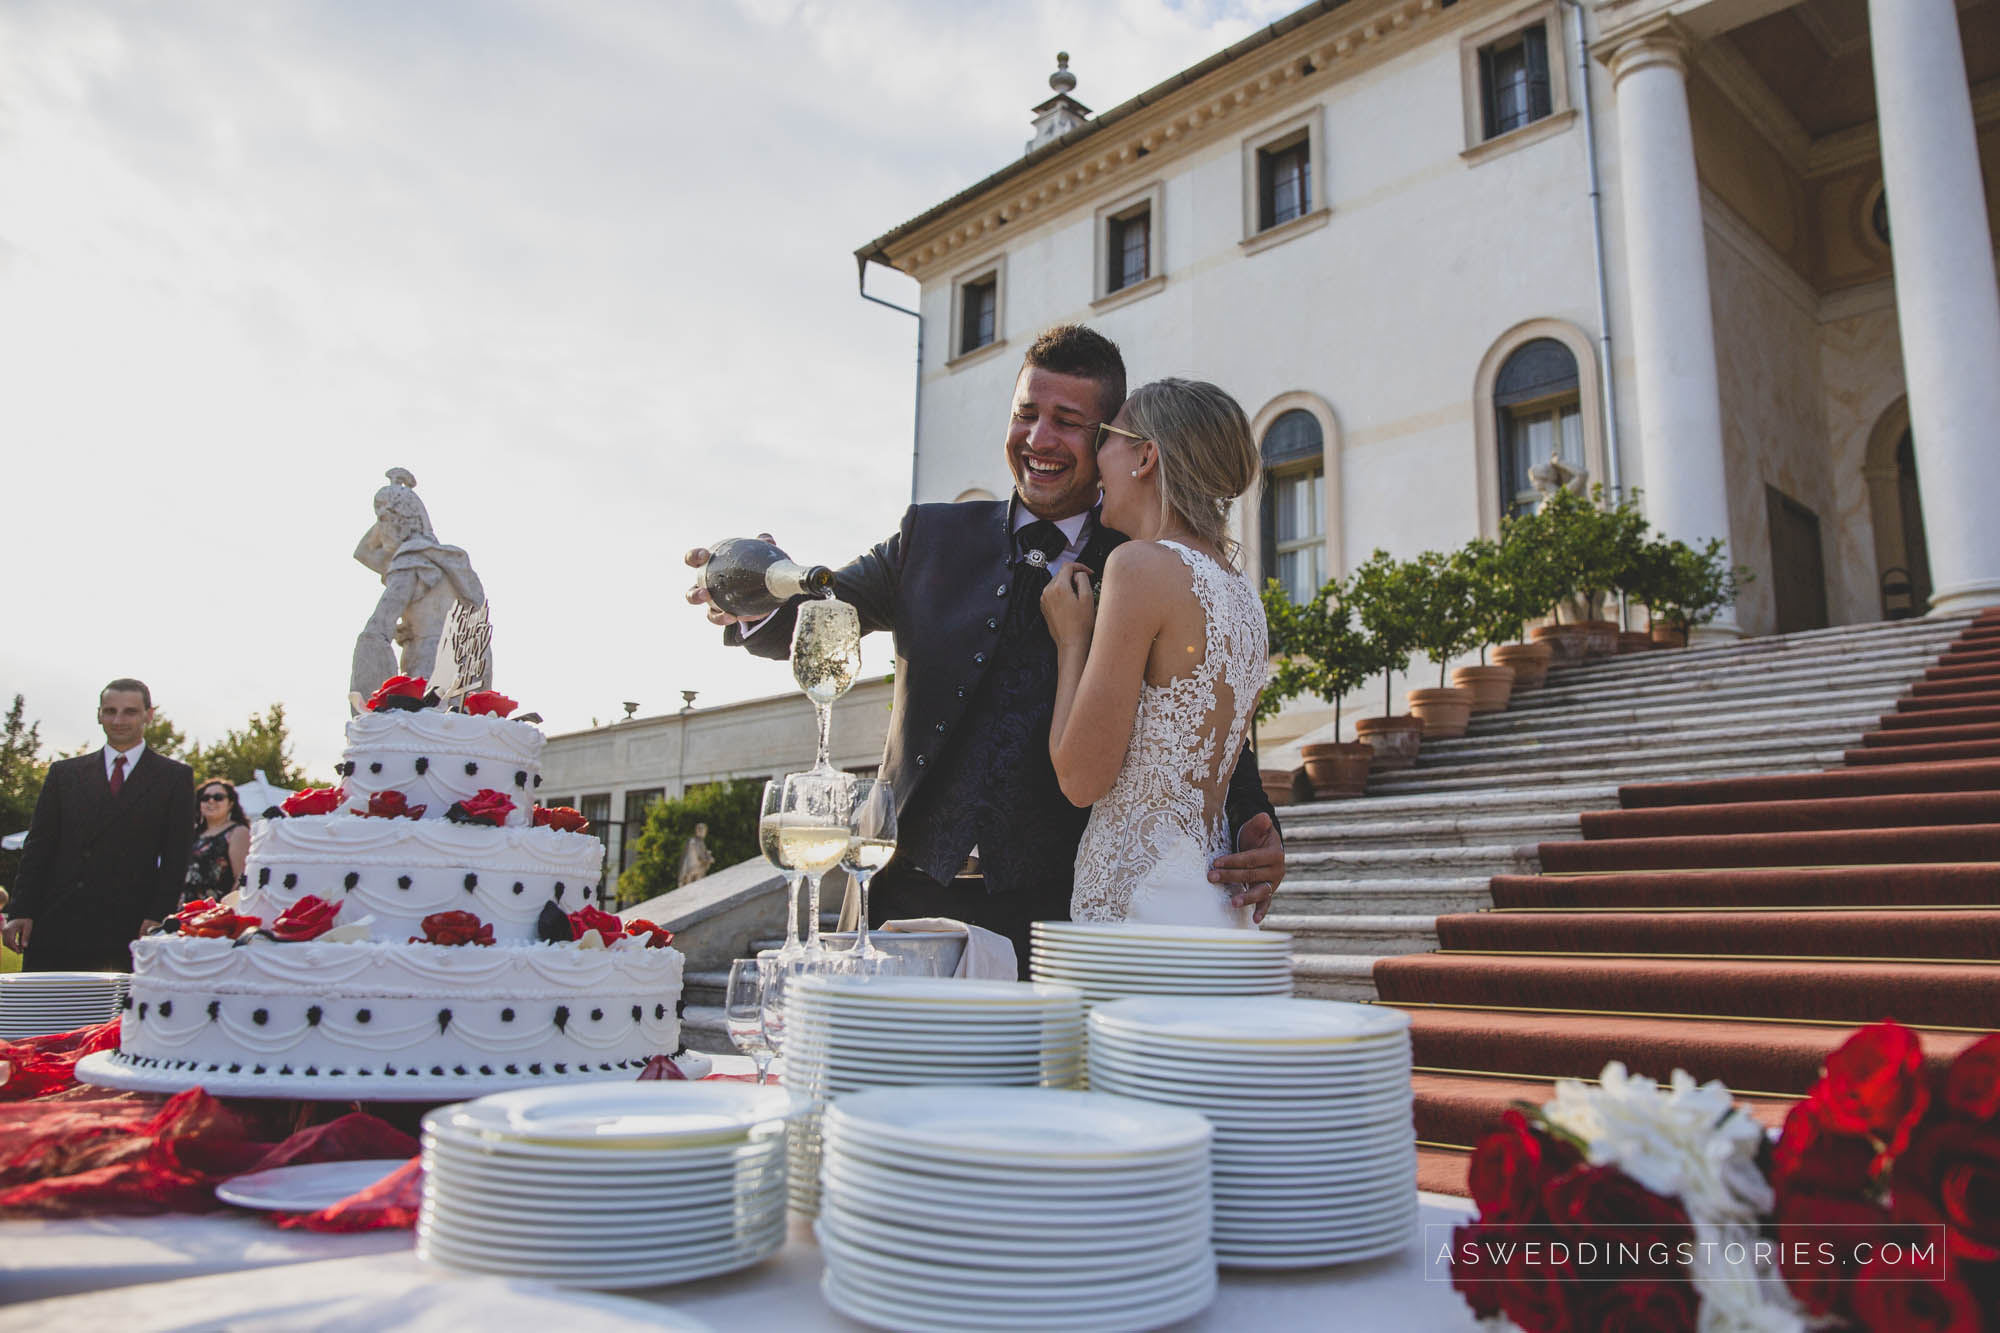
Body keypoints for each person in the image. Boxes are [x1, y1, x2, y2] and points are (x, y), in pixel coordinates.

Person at [686, 324, 1284, 967]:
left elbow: (1198, 709)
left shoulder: (1146, 561)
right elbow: (822, 611)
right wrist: (756, 595)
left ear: (1115, 438)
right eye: (1026, 414)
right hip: (900, 892)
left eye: (1068, 422)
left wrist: (1256, 818)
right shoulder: (931, 536)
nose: (1039, 439)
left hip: (1054, 912)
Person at [1043, 379, 1267, 927]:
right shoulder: (1243, 596)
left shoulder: (1138, 566)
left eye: (1106, 439)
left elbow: (1080, 779)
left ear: (1146, 455)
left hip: (1138, 904)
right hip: (1208, 899)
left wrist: (1072, 640)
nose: (1096, 460)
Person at [1, 679, 195, 972]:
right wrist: (22, 910)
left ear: (149, 714)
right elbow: (38, 847)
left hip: (129, 925)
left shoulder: (174, 777)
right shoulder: (63, 774)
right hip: (56, 921)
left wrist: (158, 915)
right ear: (99, 714)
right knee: (47, 1012)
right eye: (110, 711)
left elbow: (176, 856)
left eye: (130, 711)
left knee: (114, 1017)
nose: (118, 720)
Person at [184, 778, 251, 908]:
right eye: (205, 798)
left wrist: (225, 911)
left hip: (214, 912)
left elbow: (241, 877)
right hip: (184, 910)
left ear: (230, 803)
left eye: (218, 797)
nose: (211, 801)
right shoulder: (194, 834)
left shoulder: (237, 832)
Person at [678, 821, 715, 887]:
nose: (704, 833)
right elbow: (701, 856)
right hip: (692, 870)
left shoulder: (696, 841)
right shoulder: (695, 841)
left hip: (691, 870)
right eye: (703, 831)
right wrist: (709, 859)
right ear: (698, 831)